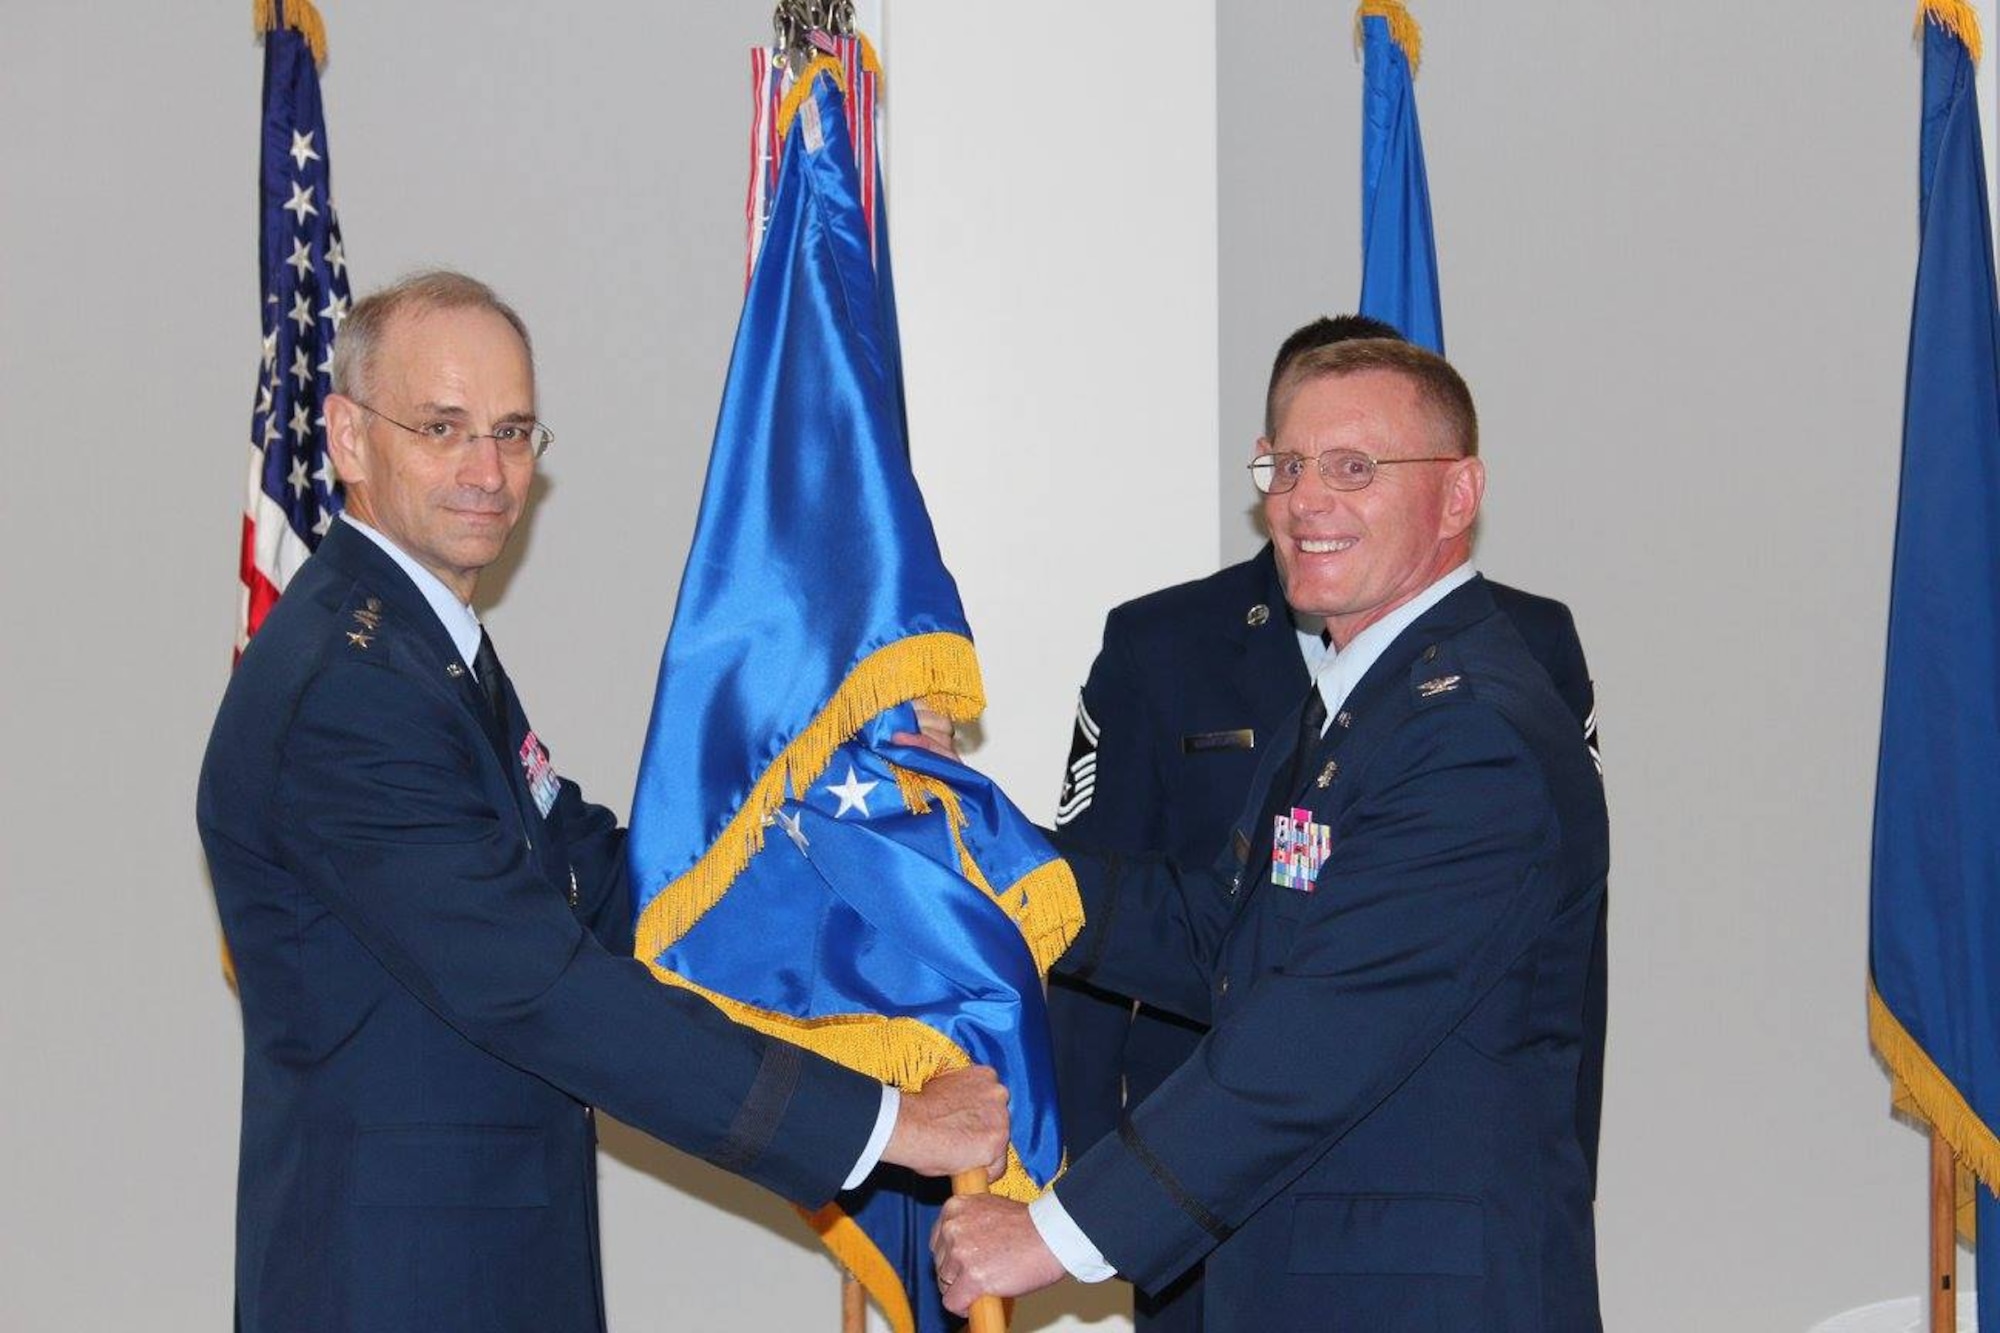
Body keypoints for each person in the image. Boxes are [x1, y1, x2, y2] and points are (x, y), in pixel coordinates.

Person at [197, 270, 1007, 1333]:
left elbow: (601, 878)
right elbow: (549, 987)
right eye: (443, 428)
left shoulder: (419, 646)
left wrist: (849, 832)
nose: (488, 471)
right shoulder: (352, 689)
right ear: (349, 439)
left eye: (513, 431)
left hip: (479, 1266)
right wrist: (883, 1125)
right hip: (396, 1285)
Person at [936, 338, 1607, 1330]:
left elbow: (1317, 1032)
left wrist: (1054, 1233)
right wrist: (965, 836)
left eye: (1352, 469)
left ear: (1456, 494)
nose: (1304, 500)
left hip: (1415, 1297)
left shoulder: (1470, 735)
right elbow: (1220, 933)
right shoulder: (1363, 697)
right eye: (1286, 467)